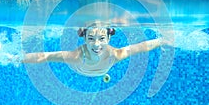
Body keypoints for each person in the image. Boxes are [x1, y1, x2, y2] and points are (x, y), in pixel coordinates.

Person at [22, 22, 171, 81]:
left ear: (108, 39)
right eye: (91, 38)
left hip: (101, 72)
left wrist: (163, 40)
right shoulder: (76, 57)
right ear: (85, 39)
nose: (96, 44)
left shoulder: (114, 55)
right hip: (81, 71)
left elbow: (141, 47)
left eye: (101, 38)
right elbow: (45, 56)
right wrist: (19, 58)